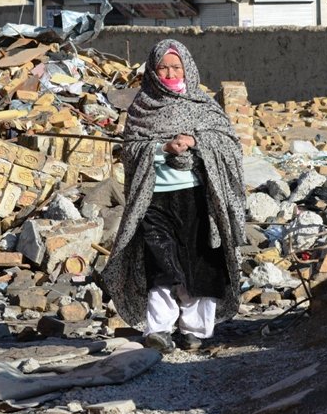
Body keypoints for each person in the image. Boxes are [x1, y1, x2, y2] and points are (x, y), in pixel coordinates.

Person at [101, 39, 247, 353]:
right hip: (153, 198)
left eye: (175, 67)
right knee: (160, 264)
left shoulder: (202, 104)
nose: (169, 73)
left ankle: (194, 331)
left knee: (198, 263)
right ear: (152, 71)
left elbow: (229, 144)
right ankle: (159, 330)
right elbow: (131, 150)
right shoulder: (142, 106)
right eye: (163, 67)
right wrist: (162, 149)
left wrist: (195, 141)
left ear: (187, 68)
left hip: (197, 198)